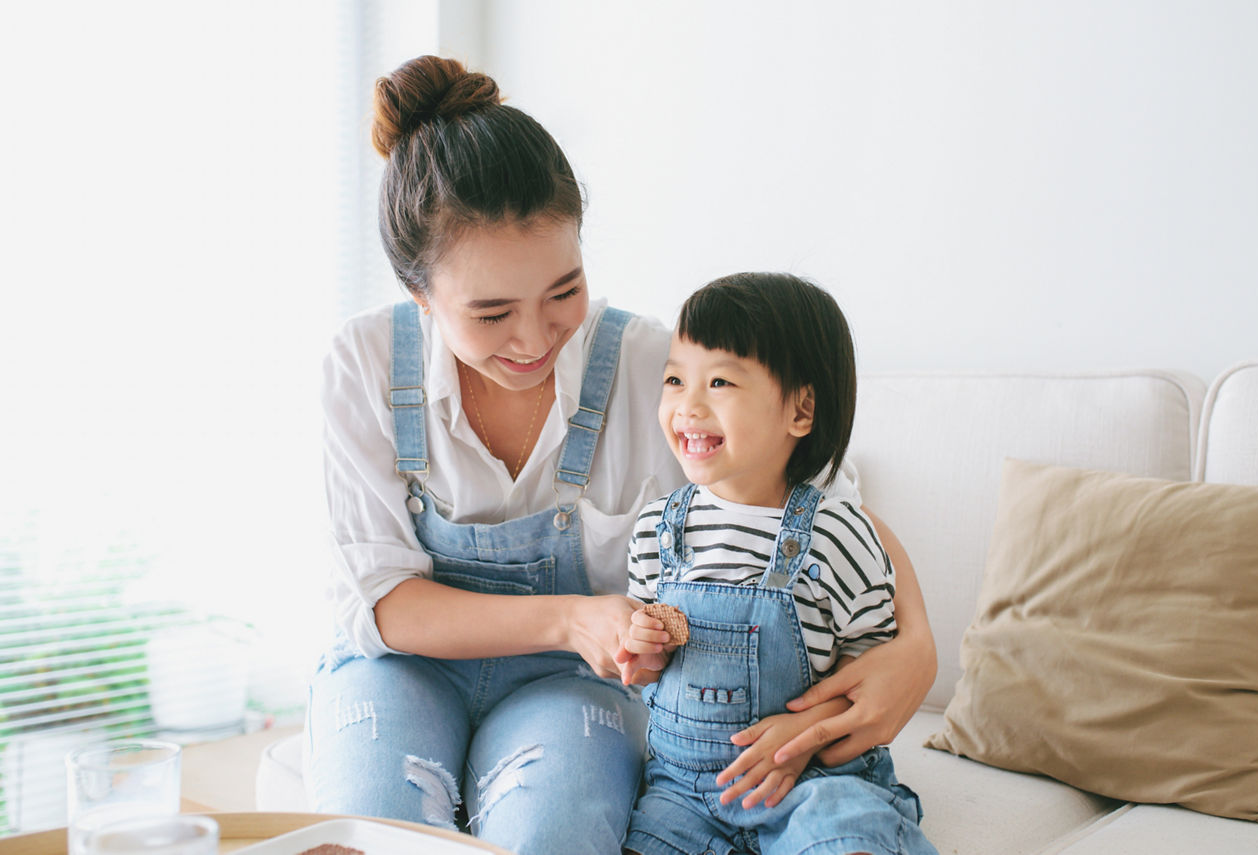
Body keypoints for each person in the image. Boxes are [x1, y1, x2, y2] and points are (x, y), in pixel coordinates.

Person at [306, 54, 937, 855]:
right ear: (419, 293)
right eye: (492, 312)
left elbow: (816, 501)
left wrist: (915, 644)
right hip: (399, 667)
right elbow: (386, 602)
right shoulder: (362, 365)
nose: (533, 339)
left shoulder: (654, 367)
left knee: (557, 835)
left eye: (563, 291)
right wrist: (574, 615)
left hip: (570, 685)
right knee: (372, 834)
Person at [617, 272, 938, 855]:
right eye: (674, 379)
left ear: (801, 410)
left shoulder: (837, 534)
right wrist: (641, 647)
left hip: (812, 780)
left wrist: (805, 737)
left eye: (719, 382)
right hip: (684, 793)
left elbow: (873, 669)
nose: (687, 405)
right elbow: (641, 669)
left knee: (848, 837)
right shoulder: (654, 530)